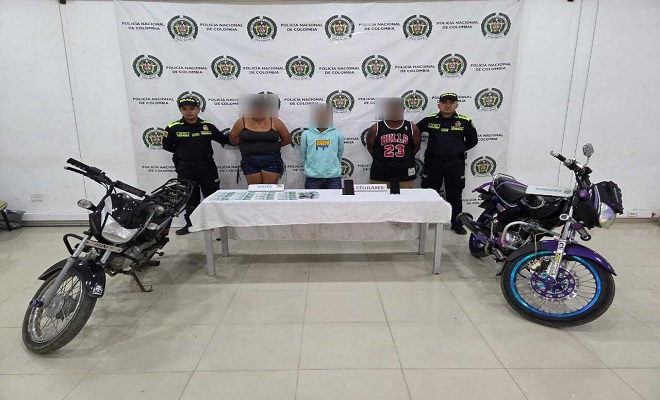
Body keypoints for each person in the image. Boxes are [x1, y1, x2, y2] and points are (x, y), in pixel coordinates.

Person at [162, 97, 229, 235]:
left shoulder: (207, 126)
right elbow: (167, 146)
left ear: (198, 109)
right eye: (185, 109)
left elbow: (223, 139)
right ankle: (191, 224)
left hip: (207, 167)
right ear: (180, 110)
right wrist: (184, 153)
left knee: (212, 196)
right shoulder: (173, 127)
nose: (189, 112)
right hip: (185, 168)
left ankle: (215, 223)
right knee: (190, 198)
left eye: (192, 108)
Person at [417, 92, 478, 234]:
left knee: (455, 195)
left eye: (451, 103)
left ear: (456, 105)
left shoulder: (464, 121)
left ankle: (456, 224)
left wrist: (457, 150)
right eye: (444, 103)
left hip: (455, 164)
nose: (448, 105)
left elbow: (472, 141)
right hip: (433, 163)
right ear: (439, 105)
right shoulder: (429, 120)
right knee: (428, 193)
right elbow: (415, 132)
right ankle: (424, 223)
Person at [229, 95, 291, 184]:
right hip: (249, 159)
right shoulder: (241, 122)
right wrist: (245, 146)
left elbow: (287, 139)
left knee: (270, 189)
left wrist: (273, 146)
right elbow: (232, 139)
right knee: (254, 189)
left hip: (272, 159)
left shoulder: (275, 121)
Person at [366, 98, 421, 188]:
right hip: (380, 173)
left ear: (403, 109)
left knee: (406, 197)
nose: (394, 111)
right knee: (380, 197)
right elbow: (370, 147)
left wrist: (404, 160)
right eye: (391, 108)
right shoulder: (376, 128)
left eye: (397, 108)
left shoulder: (412, 128)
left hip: (405, 173)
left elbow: (416, 147)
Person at [300, 104, 344, 189]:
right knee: (312, 199)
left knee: (335, 198)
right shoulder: (306, 135)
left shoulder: (338, 135)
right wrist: (312, 165)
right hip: (312, 177)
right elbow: (303, 154)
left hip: (333, 177)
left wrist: (331, 164)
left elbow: (340, 153)